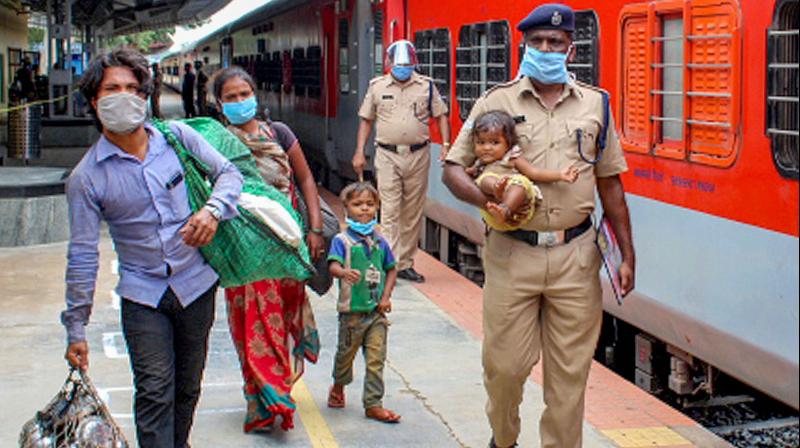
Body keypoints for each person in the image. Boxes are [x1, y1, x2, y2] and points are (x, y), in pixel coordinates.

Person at [442, 4, 636, 448]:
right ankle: (503, 439)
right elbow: (454, 169)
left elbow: (610, 184)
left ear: (570, 47)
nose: (546, 49)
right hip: (512, 253)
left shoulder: (596, 103)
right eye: (538, 43)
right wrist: (490, 199)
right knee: (505, 367)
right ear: (524, 45)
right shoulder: (497, 102)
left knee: (570, 377)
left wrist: (627, 253)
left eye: (556, 43)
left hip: (577, 255)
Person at [62, 48, 243, 447]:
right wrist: (76, 326)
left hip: (196, 285)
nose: (124, 96)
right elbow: (83, 254)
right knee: (154, 391)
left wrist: (212, 212)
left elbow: (229, 174)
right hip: (143, 296)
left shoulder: (178, 139)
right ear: (94, 100)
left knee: (187, 388)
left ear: (145, 96)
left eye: (132, 88)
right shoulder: (87, 178)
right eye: (112, 89)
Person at [213, 66, 324, 432]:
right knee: (253, 324)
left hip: (286, 239)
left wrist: (316, 229)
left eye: (245, 94)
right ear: (219, 103)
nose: (240, 102)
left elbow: (305, 178)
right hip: (244, 249)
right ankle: (262, 402)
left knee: (283, 314)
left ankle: (276, 389)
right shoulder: (217, 141)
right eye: (231, 97)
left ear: (255, 95)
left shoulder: (278, 133)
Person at [352, 39, 451, 283]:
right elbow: (366, 120)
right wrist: (359, 151)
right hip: (387, 154)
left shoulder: (426, 87)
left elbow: (441, 116)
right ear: (389, 63)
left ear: (414, 64)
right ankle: (389, 262)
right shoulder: (377, 87)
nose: (403, 68)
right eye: (399, 64)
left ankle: (406, 263)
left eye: (407, 64)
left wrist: (446, 145)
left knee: (412, 210)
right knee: (390, 210)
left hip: (418, 154)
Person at [326, 182, 401, 423]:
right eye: (358, 205)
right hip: (351, 313)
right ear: (346, 208)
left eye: (370, 204)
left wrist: (386, 297)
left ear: (377, 207)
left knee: (376, 359)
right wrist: (343, 273)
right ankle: (339, 385)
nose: (364, 209)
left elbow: (391, 269)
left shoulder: (380, 243)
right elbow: (333, 265)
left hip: (375, 312)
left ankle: (373, 403)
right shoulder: (342, 240)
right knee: (344, 356)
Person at [467, 110, 578, 230]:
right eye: (481, 142)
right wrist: (469, 172)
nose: (487, 148)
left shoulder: (512, 157)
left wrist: (560, 175)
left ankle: (504, 209)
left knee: (519, 185)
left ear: (508, 143)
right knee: (484, 180)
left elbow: (534, 172)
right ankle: (497, 188)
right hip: (491, 214)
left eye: (495, 142)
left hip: (517, 212)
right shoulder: (480, 163)